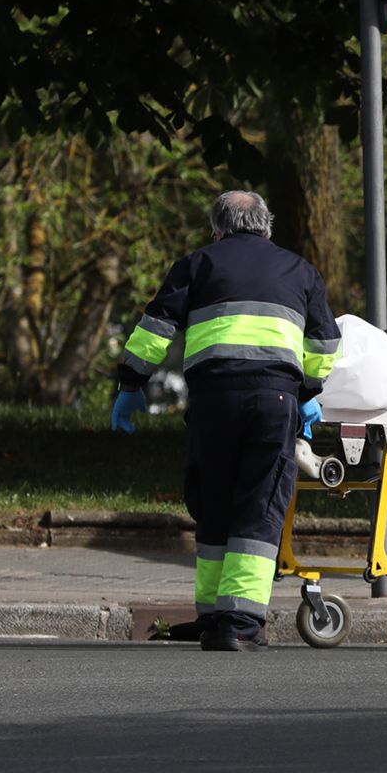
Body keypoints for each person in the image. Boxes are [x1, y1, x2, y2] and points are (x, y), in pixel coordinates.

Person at [111, 190, 339, 651]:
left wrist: (131, 384)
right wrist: (309, 393)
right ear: (267, 227)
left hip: (213, 400)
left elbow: (156, 326)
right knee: (258, 505)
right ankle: (238, 623)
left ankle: (214, 615)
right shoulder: (300, 270)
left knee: (213, 502)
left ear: (217, 229)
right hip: (274, 401)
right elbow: (325, 344)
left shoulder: (197, 264)